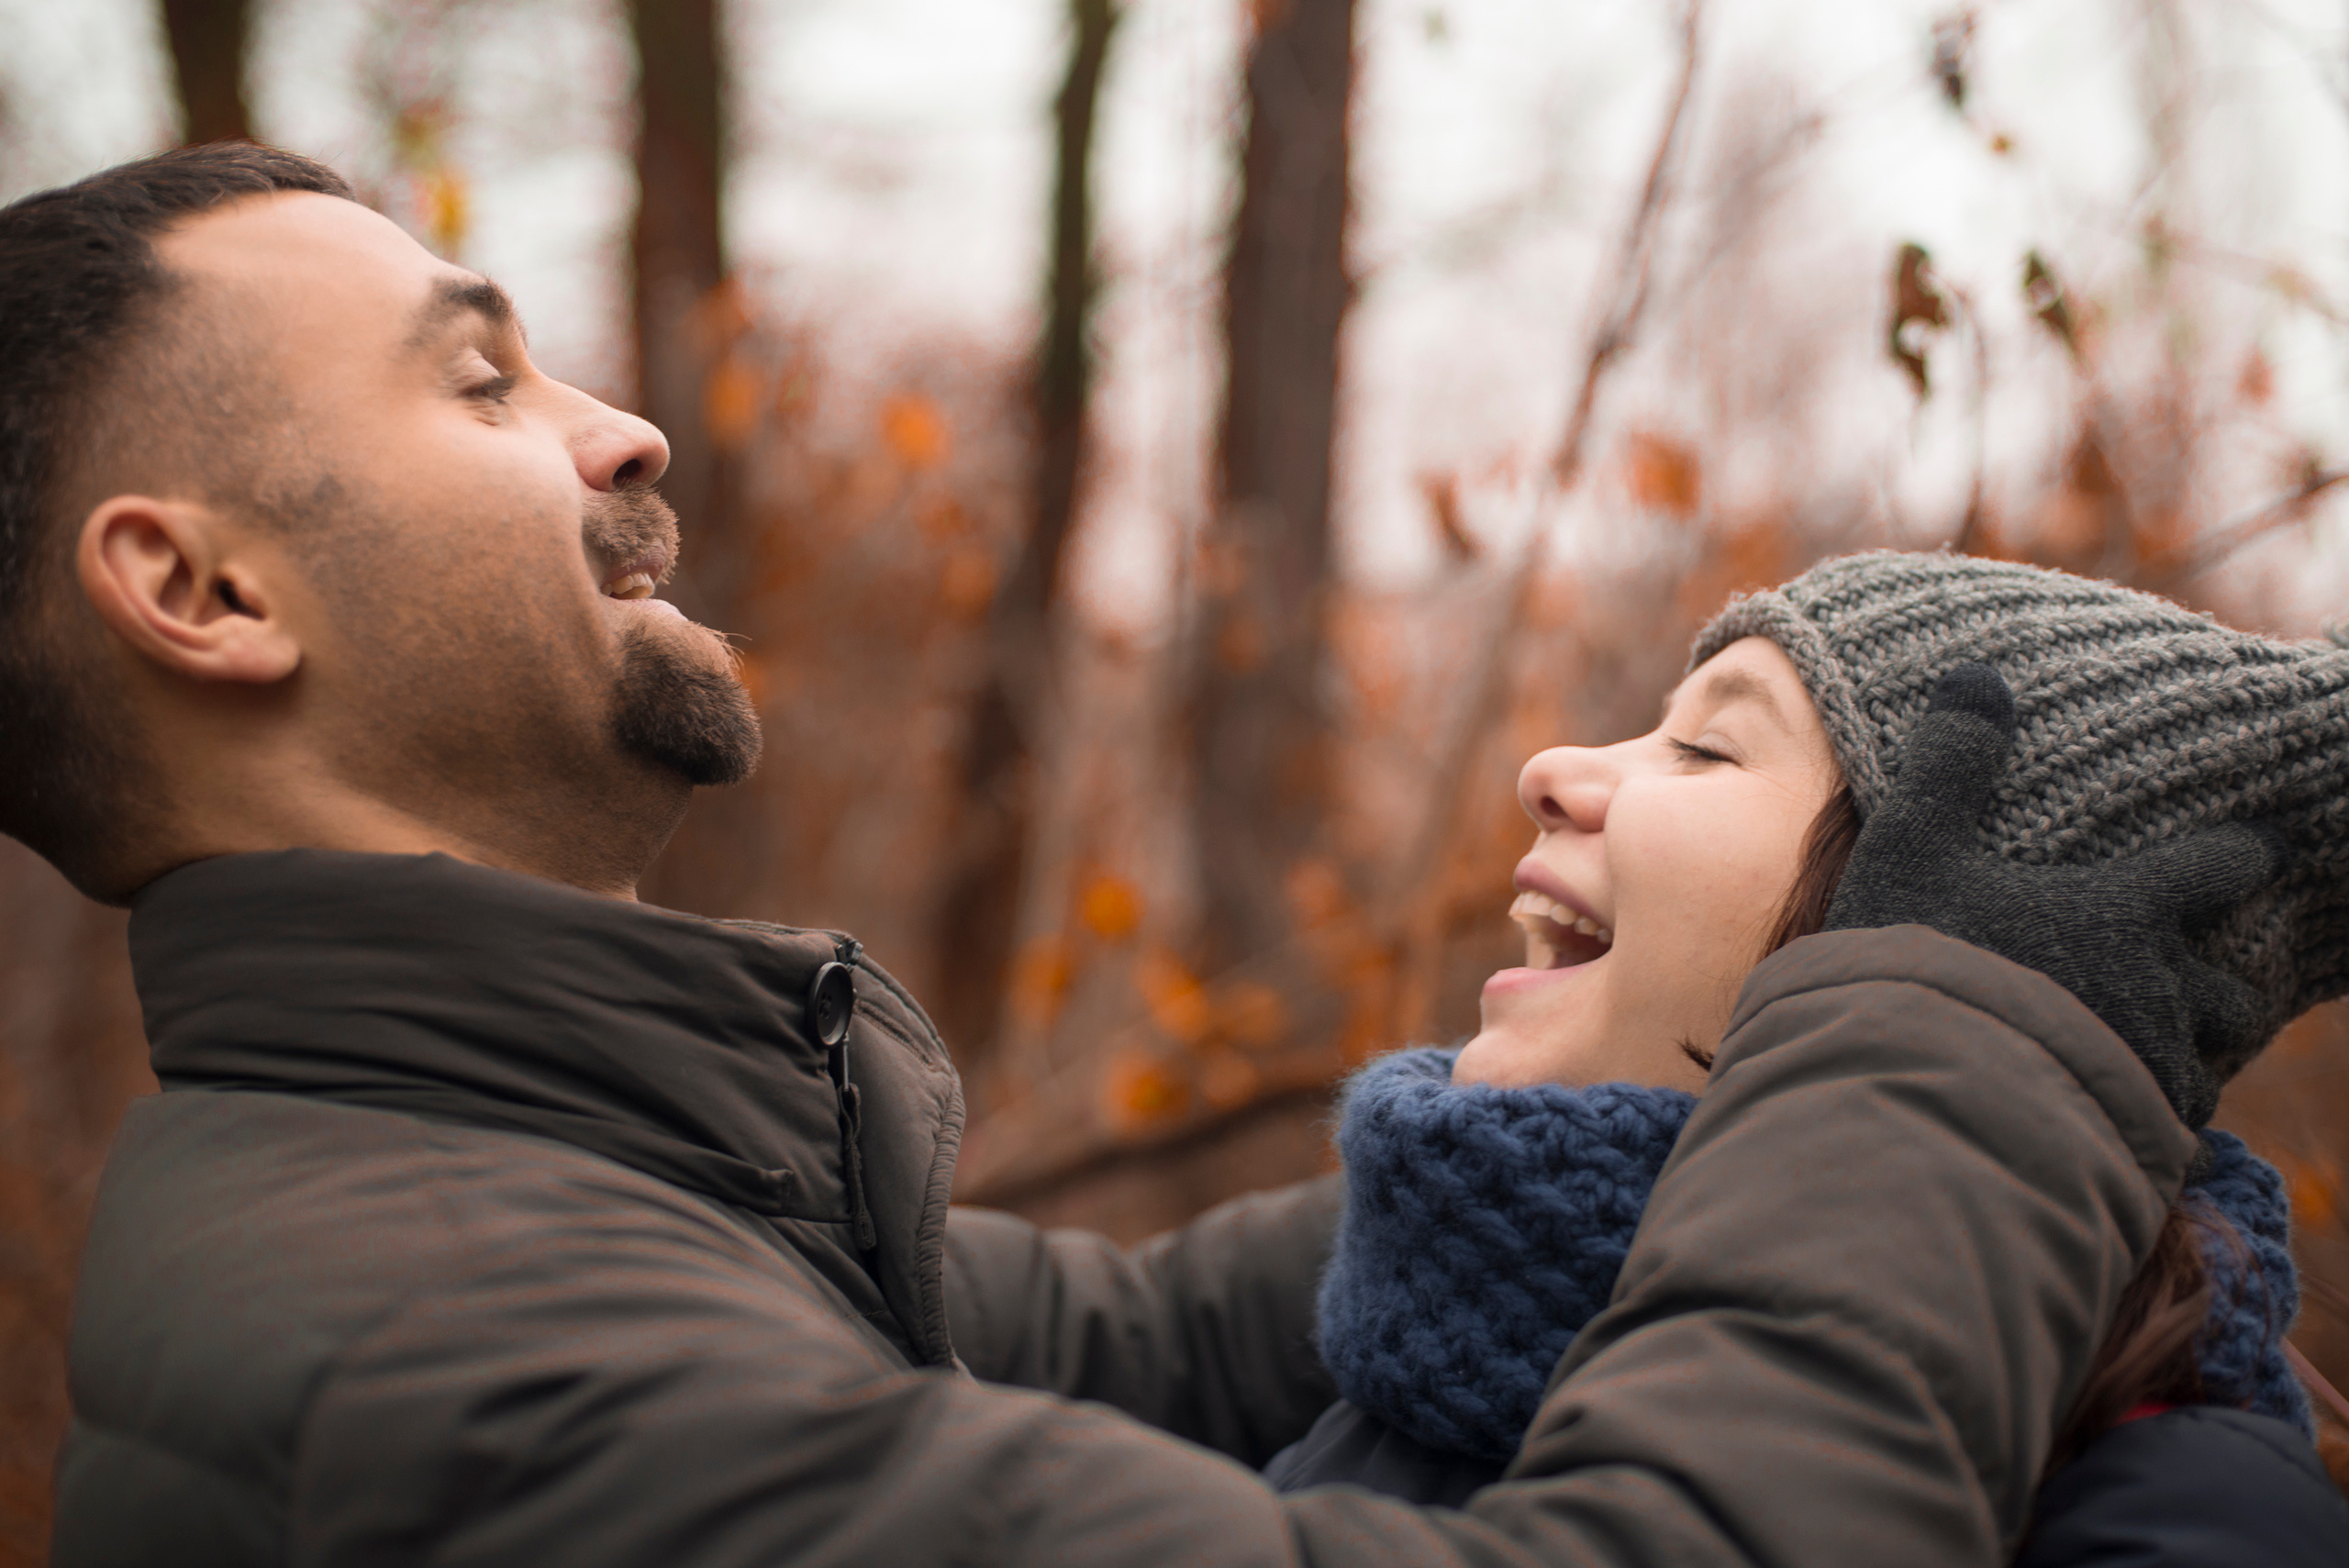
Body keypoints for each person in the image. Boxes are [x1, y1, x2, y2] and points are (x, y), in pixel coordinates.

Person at [0, 142, 2277, 1566]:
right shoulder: (468, 1370)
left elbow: (1135, 1339)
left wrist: (1678, 1100)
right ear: (201, 594)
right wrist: (1957, 1035)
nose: (626, 425)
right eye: (480, 385)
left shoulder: (544, 1192)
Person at [1265, 553, 2349, 1562]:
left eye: (1706, 747)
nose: (1550, 767)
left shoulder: (2188, 1509)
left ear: (1959, 948)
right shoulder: (1424, 1332)